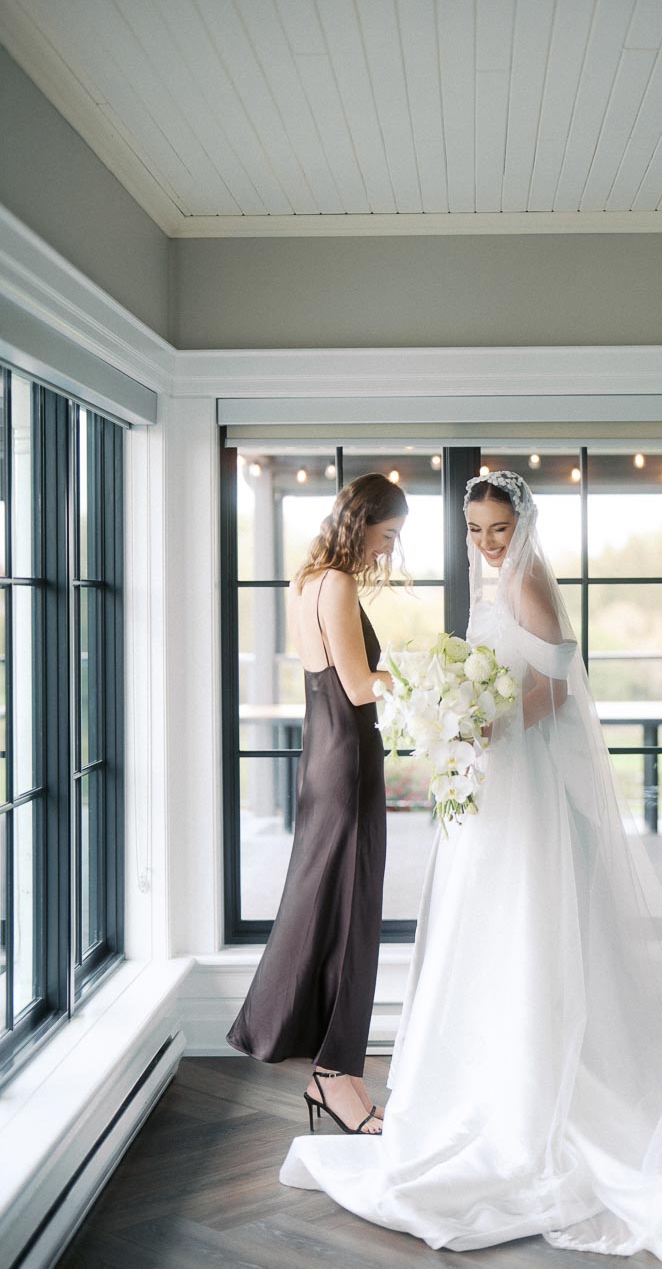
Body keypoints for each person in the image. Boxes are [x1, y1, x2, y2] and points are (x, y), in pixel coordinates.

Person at [278, 469, 662, 1264]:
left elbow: (554, 690)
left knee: (527, 923)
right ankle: (472, 1095)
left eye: (497, 528)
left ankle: (541, 1098)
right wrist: (462, 722)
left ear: (521, 524)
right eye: (475, 530)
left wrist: (486, 724)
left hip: (522, 780)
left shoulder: (530, 579)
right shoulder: (484, 581)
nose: (486, 543)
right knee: (476, 931)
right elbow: (484, 674)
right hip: (487, 784)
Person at [226, 473, 408, 1136]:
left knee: (328, 910)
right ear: (362, 523)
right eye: (387, 536)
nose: (388, 551)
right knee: (352, 918)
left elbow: (330, 678)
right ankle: (337, 1082)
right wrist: (426, 677)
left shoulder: (305, 582)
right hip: (351, 761)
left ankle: (338, 1077)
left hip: (324, 758)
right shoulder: (337, 584)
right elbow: (360, 688)